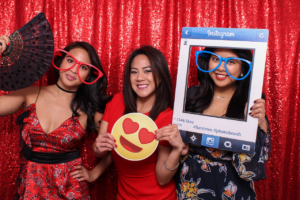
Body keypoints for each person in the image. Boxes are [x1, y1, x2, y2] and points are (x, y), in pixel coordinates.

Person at [0, 35, 110, 199]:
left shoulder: (90, 108)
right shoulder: (32, 93)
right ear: (60, 61)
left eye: (83, 67)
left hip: (71, 189)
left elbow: (116, 146)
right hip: (31, 186)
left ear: (89, 75)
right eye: (70, 60)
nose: (73, 69)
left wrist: (94, 173)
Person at [71, 46, 185, 199]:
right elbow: (109, 149)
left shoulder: (167, 117)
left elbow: (163, 179)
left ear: (160, 77)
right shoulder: (116, 101)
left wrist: (177, 150)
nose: (139, 77)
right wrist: (94, 168)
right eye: (134, 72)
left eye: (147, 70)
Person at [175, 48, 270, 200]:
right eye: (215, 59)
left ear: (243, 69)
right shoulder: (191, 96)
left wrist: (260, 122)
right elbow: (175, 145)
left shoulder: (251, 102)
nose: (220, 67)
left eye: (231, 62)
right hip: (191, 186)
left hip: (233, 190)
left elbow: (251, 167)